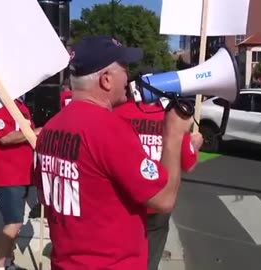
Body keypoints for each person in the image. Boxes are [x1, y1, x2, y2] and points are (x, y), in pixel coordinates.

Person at [34, 36, 193, 269]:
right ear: (106, 80)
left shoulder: (49, 129)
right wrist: (173, 135)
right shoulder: (109, 129)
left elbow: (44, 197)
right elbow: (163, 198)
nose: (128, 77)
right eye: (125, 69)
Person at [113, 95, 203, 270]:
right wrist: (194, 145)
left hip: (126, 202)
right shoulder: (173, 118)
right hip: (158, 203)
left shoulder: (117, 113)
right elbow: (188, 164)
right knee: (150, 259)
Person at [0, 98, 41, 270]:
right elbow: (5, 137)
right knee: (14, 223)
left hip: (22, 174)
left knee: (15, 221)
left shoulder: (20, 105)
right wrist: (33, 133)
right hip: (7, 175)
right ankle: (0, 266)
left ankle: (8, 262)